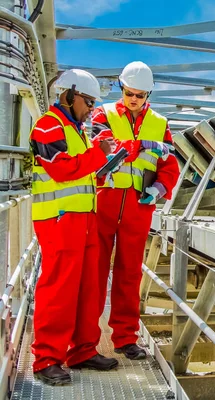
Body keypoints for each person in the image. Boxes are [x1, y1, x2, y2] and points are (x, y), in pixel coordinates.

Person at [29, 69, 119, 385]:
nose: (92, 109)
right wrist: (99, 154)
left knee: (88, 288)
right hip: (59, 218)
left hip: (82, 218)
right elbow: (62, 170)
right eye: (89, 101)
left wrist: (102, 169)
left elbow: (80, 173)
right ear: (69, 94)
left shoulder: (75, 129)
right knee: (59, 289)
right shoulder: (48, 126)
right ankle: (46, 360)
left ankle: (82, 350)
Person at [91, 61, 179, 360]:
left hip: (138, 207)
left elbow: (170, 164)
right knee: (95, 272)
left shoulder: (160, 122)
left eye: (140, 95)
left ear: (148, 94)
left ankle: (126, 337)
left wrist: (160, 189)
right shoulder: (102, 113)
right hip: (104, 203)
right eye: (130, 93)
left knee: (129, 274)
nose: (134, 99)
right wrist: (142, 144)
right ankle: (87, 340)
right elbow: (105, 146)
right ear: (121, 88)